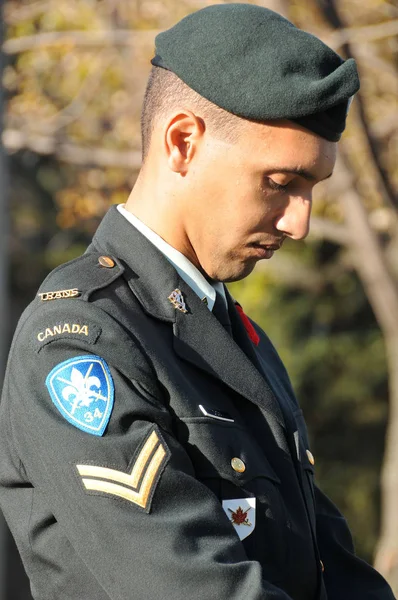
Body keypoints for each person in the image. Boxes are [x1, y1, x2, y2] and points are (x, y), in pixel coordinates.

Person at [0, 4, 395, 600]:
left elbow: (326, 565)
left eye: (313, 190)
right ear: (183, 142)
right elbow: (191, 586)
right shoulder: (80, 340)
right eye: (280, 183)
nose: (300, 224)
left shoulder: (229, 334)